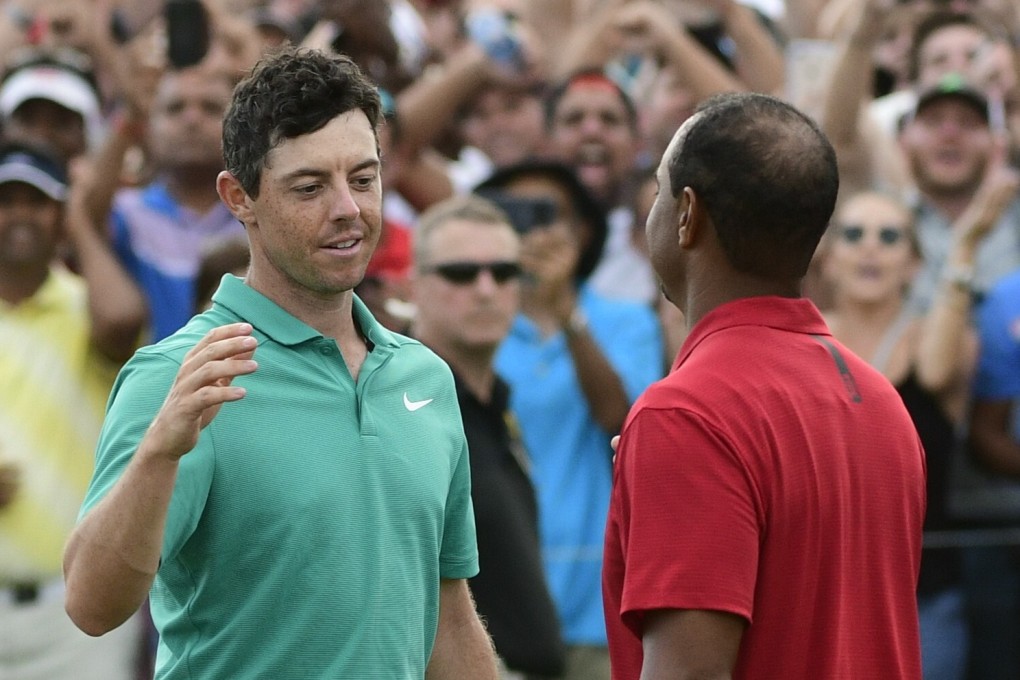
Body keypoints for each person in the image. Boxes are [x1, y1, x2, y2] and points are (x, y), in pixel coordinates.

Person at [62, 47, 499, 679]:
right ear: (239, 198)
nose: (348, 208)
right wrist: (160, 451)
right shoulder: (179, 374)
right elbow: (91, 605)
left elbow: (448, 614)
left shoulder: (424, 377)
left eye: (364, 178)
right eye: (310, 186)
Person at [603, 93, 926, 679]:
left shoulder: (685, 414)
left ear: (687, 215)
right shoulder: (882, 402)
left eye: (659, 190)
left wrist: (673, 447)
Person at [478, 160, 664, 680]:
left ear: (584, 230)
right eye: (513, 215)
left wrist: (565, 312)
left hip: (599, 616)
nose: (531, 231)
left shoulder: (628, 322)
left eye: (547, 214)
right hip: (497, 615)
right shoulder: (472, 321)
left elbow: (622, 425)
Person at [820, 190, 989, 680]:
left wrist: (963, 248)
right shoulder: (800, 346)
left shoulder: (946, 342)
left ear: (914, 263)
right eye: (853, 235)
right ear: (827, 261)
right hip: (820, 592)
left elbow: (935, 374)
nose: (870, 248)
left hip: (924, 598)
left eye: (890, 237)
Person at [0, 140, 146, 678]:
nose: (19, 214)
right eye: (6, 200)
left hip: (75, 617)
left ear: (57, 216)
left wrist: (80, 221)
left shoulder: (86, 307)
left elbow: (124, 321)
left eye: (35, 202)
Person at [411, 193, 566, 679]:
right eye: (460, 273)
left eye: (503, 272)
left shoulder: (495, 406)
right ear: (413, 284)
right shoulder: (403, 405)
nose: (485, 289)